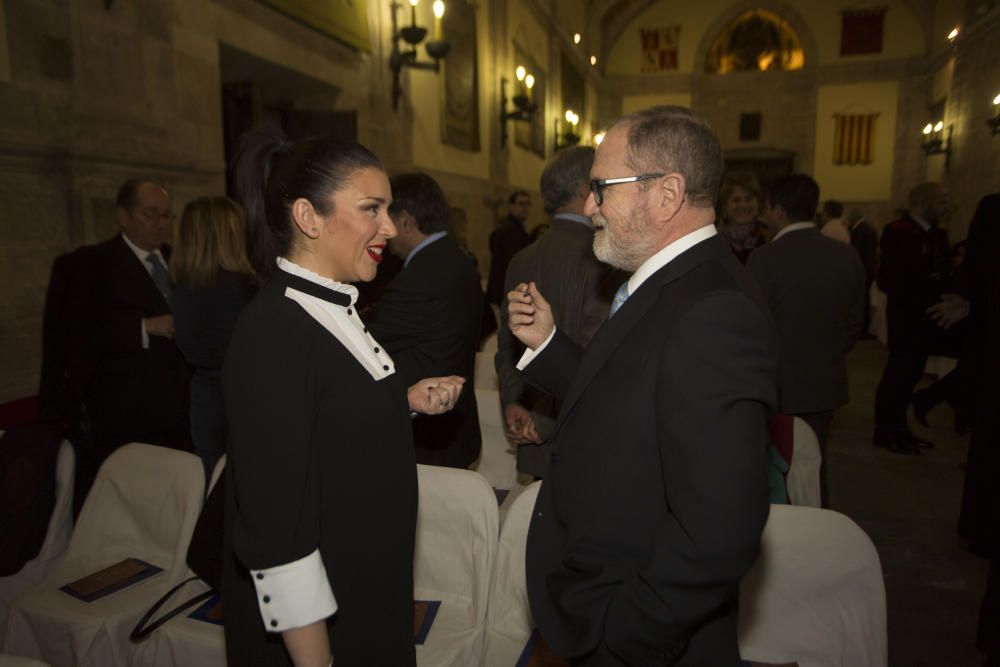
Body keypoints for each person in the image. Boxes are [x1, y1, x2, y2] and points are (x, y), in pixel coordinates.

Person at [507, 106, 777, 664]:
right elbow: (630, 392)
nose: (588, 206)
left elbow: (720, 530)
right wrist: (551, 345)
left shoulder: (713, 307)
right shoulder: (668, 281)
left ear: (667, 194)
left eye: (602, 188)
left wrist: (627, 634)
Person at [223, 126, 464, 667]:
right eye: (371, 209)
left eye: (388, 210)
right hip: (322, 629)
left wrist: (402, 400)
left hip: (365, 592)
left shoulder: (336, 305)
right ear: (309, 218)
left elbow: (324, 413)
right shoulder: (273, 332)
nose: (388, 227)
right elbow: (277, 533)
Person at [495, 145, 624, 479]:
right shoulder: (602, 256)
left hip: (531, 433)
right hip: (578, 437)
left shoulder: (522, 258)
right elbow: (594, 354)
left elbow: (508, 347)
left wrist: (515, 403)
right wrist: (545, 421)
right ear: (585, 190)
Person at [70, 179, 192, 514]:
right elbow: (77, 333)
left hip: (182, 407)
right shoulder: (92, 264)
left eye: (167, 216)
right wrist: (143, 327)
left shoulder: (179, 260)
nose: (161, 224)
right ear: (123, 216)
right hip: (129, 412)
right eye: (151, 214)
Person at [749, 174, 866, 506]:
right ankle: (820, 535)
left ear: (775, 209)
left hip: (776, 385)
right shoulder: (846, 255)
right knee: (814, 466)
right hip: (824, 383)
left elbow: (752, 326)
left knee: (774, 467)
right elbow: (854, 323)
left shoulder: (765, 259)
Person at [365, 173, 484, 469]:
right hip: (454, 426)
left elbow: (367, 341)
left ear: (406, 220)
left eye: (386, 216)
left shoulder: (421, 277)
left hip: (429, 437)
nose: (384, 228)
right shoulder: (458, 261)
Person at [168, 196, 256, 484]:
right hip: (245, 399)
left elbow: (185, 344)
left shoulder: (182, 287)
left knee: (211, 485)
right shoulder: (244, 288)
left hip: (204, 400)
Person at [873, 182, 951, 455]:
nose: (945, 206)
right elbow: (889, 279)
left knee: (911, 376)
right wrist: (927, 282)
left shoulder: (936, 235)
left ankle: (901, 427)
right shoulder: (899, 232)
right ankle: (885, 431)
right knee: (898, 375)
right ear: (924, 202)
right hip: (907, 318)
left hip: (927, 318)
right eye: (941, 201)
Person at [485, 190, 532, 305]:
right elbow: (514, 264)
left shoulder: (515, 229)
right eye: (521, 204)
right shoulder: (509, 231)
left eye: (528, 204)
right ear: (511, 206)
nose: (525, 208)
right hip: (507, 292)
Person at [716, 170, 768, 263]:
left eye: (749, 199)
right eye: (736, 200)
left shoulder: (770, 236)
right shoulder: (713, 238)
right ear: (725, 205)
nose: (744, 205)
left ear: (758, 202)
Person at [847, 209, 878, 336]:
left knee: (862, 299)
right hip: (870, 268)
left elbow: (856, 252)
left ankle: (863, 327)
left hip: (863, 269)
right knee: (866, 298)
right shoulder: (869, 228)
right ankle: (865, 325)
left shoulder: (859, 230)